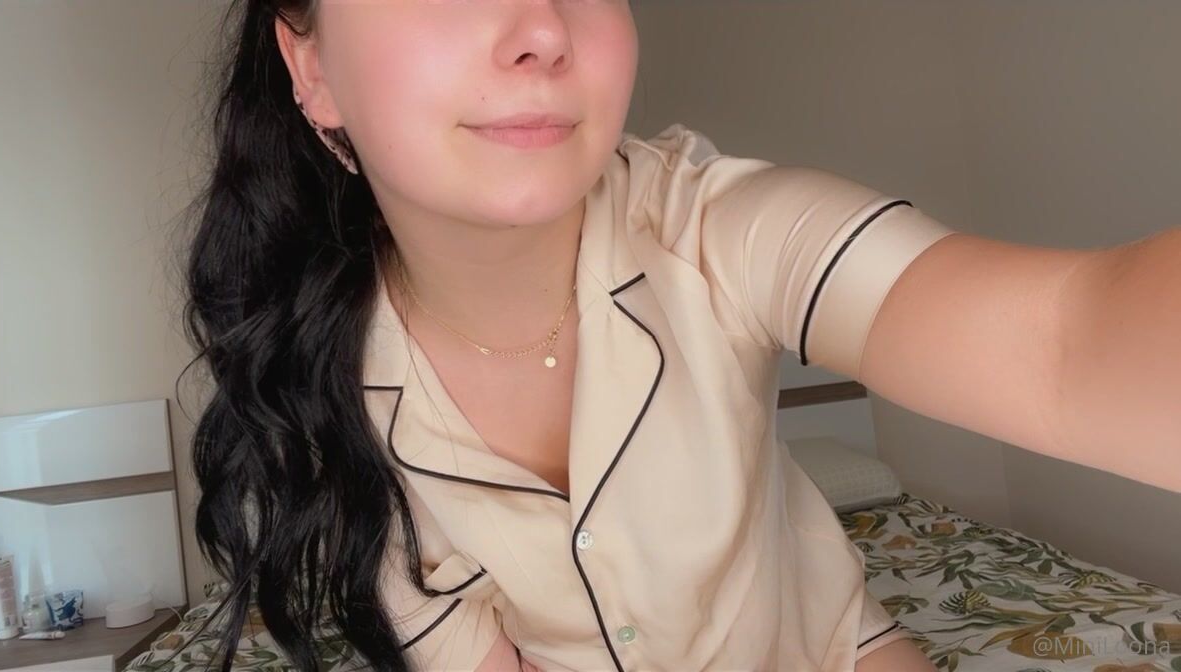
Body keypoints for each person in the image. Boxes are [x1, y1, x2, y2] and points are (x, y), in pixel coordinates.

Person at [181, 1, 1180, 671]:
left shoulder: (714, 227)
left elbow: (1060, 343)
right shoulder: (312, 383)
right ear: (311, 66)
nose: (543, 30)